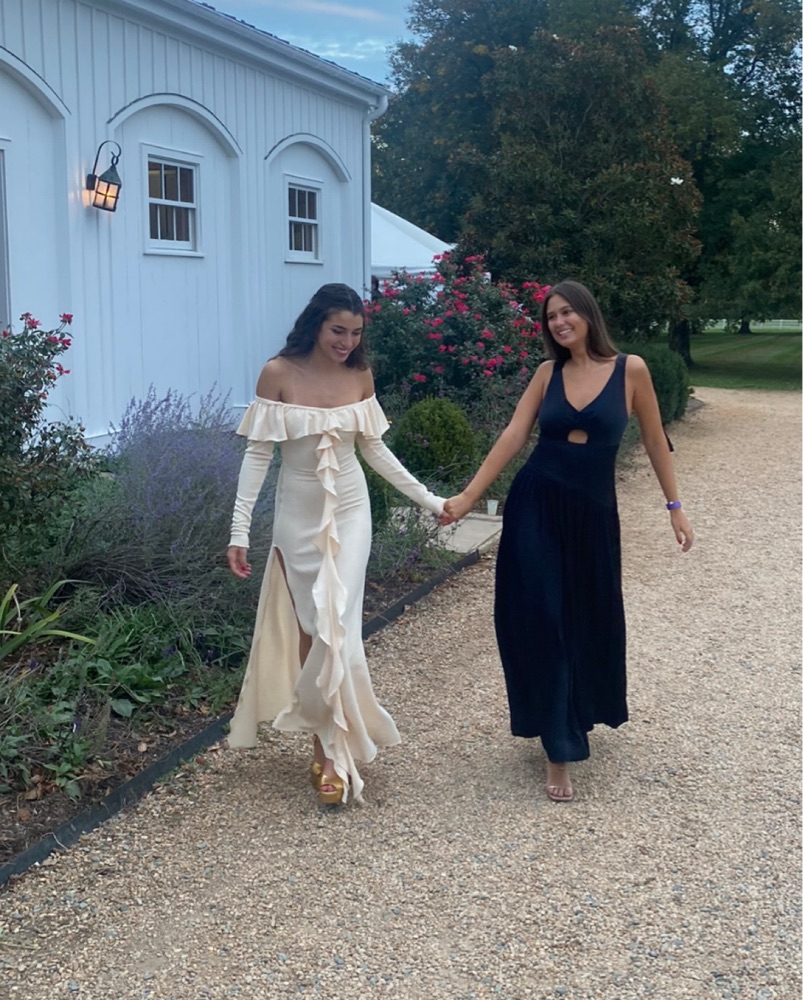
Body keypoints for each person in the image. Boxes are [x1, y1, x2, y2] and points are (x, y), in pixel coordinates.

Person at [440, 280, 693, 802]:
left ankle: (574, 713)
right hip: (536, 504)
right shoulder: (546, 374)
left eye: (566, 313)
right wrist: (468, 497)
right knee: (544, 617)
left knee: (586, 616)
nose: (558, 322)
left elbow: (653, 439)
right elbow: (514, 435)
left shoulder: (631, 370)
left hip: (592, 516)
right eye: (551, 316)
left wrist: (675, 506)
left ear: (587, 314)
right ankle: (558, 748)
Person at [226, 283, 444, 805]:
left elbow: (375, 450)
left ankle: (333, 757)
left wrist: (430, 499)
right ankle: (323, 740)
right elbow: (258, 456)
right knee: (312, 628)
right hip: (296, 517)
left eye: (356, 333)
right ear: (315, 324)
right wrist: (238, 530)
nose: (347, 342)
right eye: (337, 331)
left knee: (337, 625)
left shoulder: (360, 376)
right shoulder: (278, 373)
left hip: (350, 511)